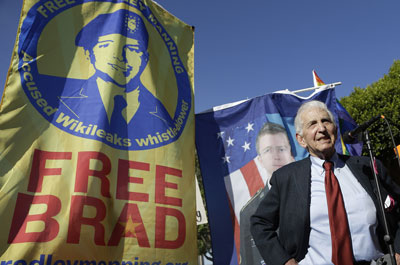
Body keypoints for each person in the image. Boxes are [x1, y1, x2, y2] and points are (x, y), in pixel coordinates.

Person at [250, 100, 400, 265]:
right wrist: (284, 261)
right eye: (312, 124)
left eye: (325, 121)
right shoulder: (286, 178)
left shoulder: (367, 167)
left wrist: (398, 251)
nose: (321, 128)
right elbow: (260, 223)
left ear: (335, 129)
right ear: (301, 140)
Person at [55, 9, 173, 140]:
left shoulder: (163, 114)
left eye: (132, 49)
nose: (121, 57)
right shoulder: (61, 99)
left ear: (145, 59)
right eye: (107, 45)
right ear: (89, 54)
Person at [240, 122, 294, 265]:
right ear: (260, 160)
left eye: (281, 149)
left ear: (291, 152)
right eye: (268, 150)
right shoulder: (249, 211)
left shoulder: (315, 193)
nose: (276, 156)